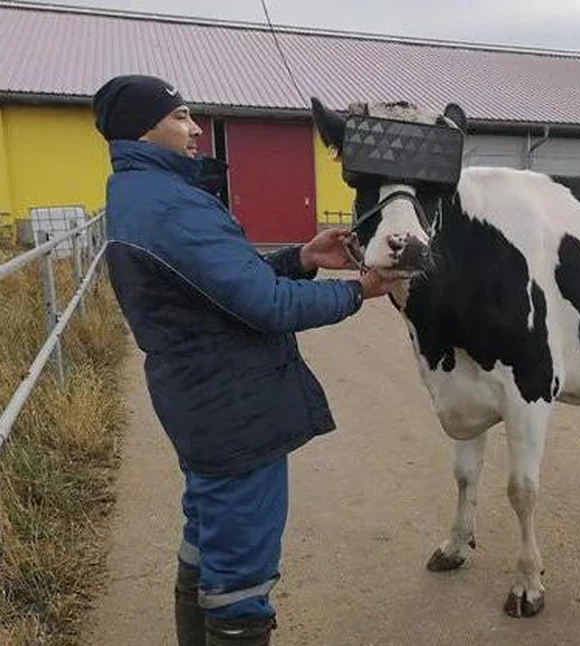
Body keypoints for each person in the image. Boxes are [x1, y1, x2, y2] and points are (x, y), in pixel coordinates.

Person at [92, 74, 398, 646]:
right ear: (143, 128)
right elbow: (266, 305)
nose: (195, 127)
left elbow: (226, 287)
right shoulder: (171, 206)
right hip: (232, 406)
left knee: (207, 535)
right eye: (181, 115)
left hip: (202, 398)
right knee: (240, 575)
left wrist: (303, 257)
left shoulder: (144, 195)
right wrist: (358, 291)